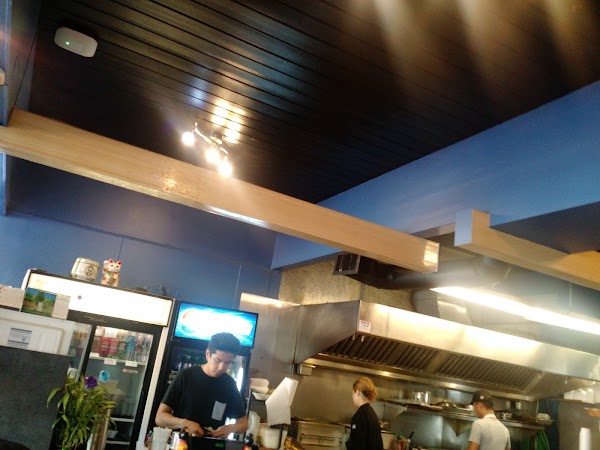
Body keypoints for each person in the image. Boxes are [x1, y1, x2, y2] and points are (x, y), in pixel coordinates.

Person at [155, 332, 248, 439]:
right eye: (218, 360)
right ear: (208, 354)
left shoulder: (229, 384)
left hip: (211, 443)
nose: (221, 367)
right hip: (182, 442)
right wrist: (185, 423)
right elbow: (160, 418)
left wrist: (230, 428)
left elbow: (243, 424)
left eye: (227, 363)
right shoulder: (185, 376)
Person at [345, 377, 384, 450]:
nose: (352, 397)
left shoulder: (359, 416)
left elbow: (356, 445)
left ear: (357, 392)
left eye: (353, 393)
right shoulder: (372, 414)